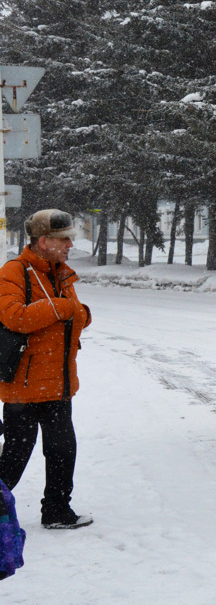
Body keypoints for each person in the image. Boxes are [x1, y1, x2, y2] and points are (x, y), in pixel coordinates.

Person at [0, 209, 93, 529]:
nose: (70, 244)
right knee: (15, 456)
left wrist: (80, 314)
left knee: (62, 450)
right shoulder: (14, 271)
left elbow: (72, 319)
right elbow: (14, 316)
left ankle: (56, 509)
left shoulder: (60, 273)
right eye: (63, 239)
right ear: (43, 241)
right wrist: (64, 307)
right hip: (24, 386)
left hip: (58, 381)